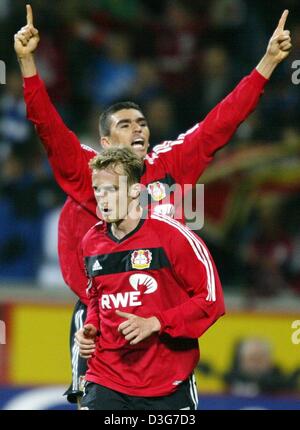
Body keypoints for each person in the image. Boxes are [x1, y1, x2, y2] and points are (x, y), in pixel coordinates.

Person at [14, 4, 292, 404]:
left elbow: (221, 122)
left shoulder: (171, 163)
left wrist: (267, 62)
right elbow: (49, 130)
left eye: (141, 121)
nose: (138, 127)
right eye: (125, 124)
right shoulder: (91, 173)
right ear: (106, 143)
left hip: (165, 325)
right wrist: (27, 65)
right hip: (107, 322)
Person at [76, 146, 225, 410]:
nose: (102, 198)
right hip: (107, 377)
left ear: (135, 191)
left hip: (167, 383)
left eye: (111, 189)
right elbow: (97, 296)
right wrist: (91, 327)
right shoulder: (91, 242)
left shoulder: (173, 237)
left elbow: (211, 300)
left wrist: (157, 322)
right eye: (98, 190)